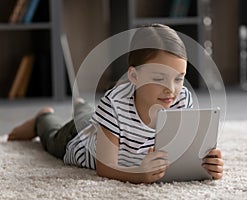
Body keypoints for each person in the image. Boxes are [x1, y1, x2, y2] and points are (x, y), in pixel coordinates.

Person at [7, 24, 224, 184]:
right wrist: (138, 175)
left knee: (88, 113)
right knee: (53, 136)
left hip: (102, 124)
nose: (172, 89)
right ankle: (41, 118)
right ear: (134, 76)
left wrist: (208, 164)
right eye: (159, 78)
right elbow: (104, 167)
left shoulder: (182, 99)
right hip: (78, 140)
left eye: (179, 78)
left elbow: (184, 153)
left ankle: (82, 106)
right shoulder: (115, 104)